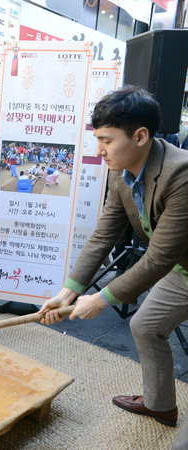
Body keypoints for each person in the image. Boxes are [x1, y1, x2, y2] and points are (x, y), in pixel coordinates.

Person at [40, 86, 188, 429]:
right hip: (181, 266)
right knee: (146, 326)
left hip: (172, 261)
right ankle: (161, 405)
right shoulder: (120, 170)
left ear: (140, 136)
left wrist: (101, 299)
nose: (99, 150)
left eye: (106, 140)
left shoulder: (181, 174)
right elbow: (104, 234)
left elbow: (158, 258)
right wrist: (68, 293)